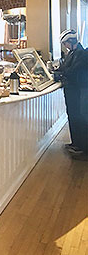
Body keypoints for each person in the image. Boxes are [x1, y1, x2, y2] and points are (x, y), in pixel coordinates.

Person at [56, 28, 88, 159]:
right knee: (73, 116)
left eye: (65, 44)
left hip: (78, 90)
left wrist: (60, 73)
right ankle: (76, 143)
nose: (65, 47)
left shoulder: (81, 54)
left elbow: (72, 71)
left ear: (71, 41)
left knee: (78, 117)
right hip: (72, 90)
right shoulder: (73, 53)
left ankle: (82, 147)